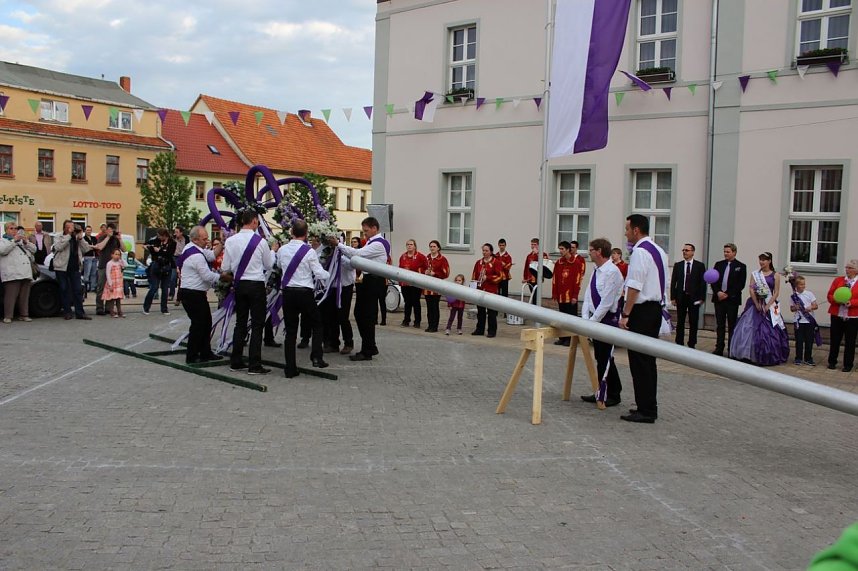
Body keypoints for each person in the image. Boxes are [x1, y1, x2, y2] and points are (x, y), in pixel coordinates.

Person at [618, 214, 668, 424]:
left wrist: (626, 314)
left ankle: (646, 410)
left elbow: (635, 286)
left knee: (640, 361)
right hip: (654, 309)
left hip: (643, 311)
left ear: (636, 230)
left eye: (627, 229)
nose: (626, 233)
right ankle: (646, 405)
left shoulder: (639, 251)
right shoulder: (658, 250)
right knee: (648, 362)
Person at [222, 210, 276, 375]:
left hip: (240, 285)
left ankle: (236, 361)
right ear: (253, 221)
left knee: (240, 323)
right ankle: (254, 364)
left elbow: (225, 268)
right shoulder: (260, 242)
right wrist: (273, 250)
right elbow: (269, 265)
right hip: (256, 284)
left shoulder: (230, 241)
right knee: (258, 324)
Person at [279, 220, 331, 378]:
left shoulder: (282, 250)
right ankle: (316, 357)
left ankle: (290, 368)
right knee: (317, 324)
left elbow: (278, 266)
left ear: (291, 232)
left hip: (288, 292)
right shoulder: (309, 252)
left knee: (291, 331)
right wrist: (330, 274)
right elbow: (319, 274)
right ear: (306, 234)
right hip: (305, 292)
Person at [334, 217, 390, 362]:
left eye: (366, 231)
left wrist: (339, 245)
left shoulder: (379, 243)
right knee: (360, 313)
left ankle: (368, 349)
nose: (364, 234)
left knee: (366, 315)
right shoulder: (372, 242)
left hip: (373, 280)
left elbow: (358, 254)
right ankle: (369, 346)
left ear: (374, 228)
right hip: (367, 280)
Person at [579, 238, 624, 407]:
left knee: (605, 357)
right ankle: (603, 390)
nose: (589, 253)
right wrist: (585, 318)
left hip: (606, 320)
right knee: (601, 356)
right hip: (595, 319)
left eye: (591, 250)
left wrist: (592, 322)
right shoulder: (596, 270)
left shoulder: (613, 272)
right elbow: (589, 295)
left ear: (598, 251)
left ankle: (611, 393)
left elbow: (606, 301)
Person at [729, 252, 790, 365]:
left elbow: (776, 292)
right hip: (754, 304)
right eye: (760, 260)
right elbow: (751, 288)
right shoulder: (755, 274)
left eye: (764, 260)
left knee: (772, 328)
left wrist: (768, 305)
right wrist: (756, 303)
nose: (761, 262)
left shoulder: (775, 275)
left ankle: (768, 354)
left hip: (769, 303)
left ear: (769, 261)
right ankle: (747, 353)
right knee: (748, 328)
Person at [178, 225, 225, 364]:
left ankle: (205, 352)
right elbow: (207, 276)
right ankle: (192, 356)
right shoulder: (196, 255)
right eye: (204, 239)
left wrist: (222, 243)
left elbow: (211, 255)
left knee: (206, 322)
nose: (207, 241)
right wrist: (223, 277)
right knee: (198, 324)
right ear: (195, 239)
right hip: (192, 294)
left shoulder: (194, 248)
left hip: (195, 293)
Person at [711, 243, 747, 356]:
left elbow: (740, 284)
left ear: (734, 252)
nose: (726, 254)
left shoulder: (741, 266)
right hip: (719, 299)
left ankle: (732, 348)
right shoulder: (719, 264)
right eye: (725, 251)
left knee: (732, 325)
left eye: (728, 252)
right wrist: (718, 292)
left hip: (732, 300)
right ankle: (719, 347)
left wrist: (727, 294)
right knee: (720, 324)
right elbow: (713, 279)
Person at [52, 220, 93, 320]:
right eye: (69, 227)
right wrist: (69, 236)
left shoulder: (76, 237)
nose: (72, 228)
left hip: (75, 267)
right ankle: (67, 312)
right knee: (64, 289)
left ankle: (80, 313)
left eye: (72, 226)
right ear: (65, 228)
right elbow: (58, 247)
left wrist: (81, 238)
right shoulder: (59, 236)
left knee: (78, 290)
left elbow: (86, 249)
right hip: (62, 267)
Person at [669, 243, 706, 349]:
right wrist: (673, 297)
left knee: (693, 321)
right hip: (681, 296)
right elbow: (674, 282)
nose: (684, 252)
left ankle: (692, 342)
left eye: (687, 250)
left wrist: (702, 298)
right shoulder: (678, 265)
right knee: (680, 320)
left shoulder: (699, 266)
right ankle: (679, 341)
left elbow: (702, 283)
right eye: (683, 250)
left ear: (693, 252)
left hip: (694, 298)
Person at [0, 221, 36, 323]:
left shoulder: (21, 241)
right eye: (11, 228)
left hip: (25, 272)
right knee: (10, 296)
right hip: (12, 273)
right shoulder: (3, 241)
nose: (14, 230)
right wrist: (13, 241)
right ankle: (8, 316)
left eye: (15, 228)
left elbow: (34, 249)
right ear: (6, 230)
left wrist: (26, 242)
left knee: (24, 296)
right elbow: (3, 251)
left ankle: (24, 314)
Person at [826, 259, 858, 373]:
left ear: (856, 270)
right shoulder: (838, 280)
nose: (847, 270)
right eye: (847, 267)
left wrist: (852, 303)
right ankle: (832, 362)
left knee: (850, 341)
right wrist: (837, 300)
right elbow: (830, 295)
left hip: (853, 317)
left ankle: (848, 364)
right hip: (837, 314)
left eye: (850, 268)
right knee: (835, 339)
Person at [552, 240, 586, 346]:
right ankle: (562, 338)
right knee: (561, 317)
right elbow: (555, 279)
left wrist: (575, 295)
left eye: (562, 249)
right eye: (559, 249)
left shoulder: (576, 263)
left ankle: (570, 339)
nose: (560, 251)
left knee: (570, 318)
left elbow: (577, 280)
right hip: (561, 295)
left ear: (568, 250)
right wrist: (555, 293)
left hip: (570, 295)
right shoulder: (558, 263)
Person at [472, 243, 503, 338]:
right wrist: (473, 287)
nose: (484, 252)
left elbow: (500, 276)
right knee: (480, 311)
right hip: (480, 290)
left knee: (491, 313)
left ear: (491, 252)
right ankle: (479, 329)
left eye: (486, 251)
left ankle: (492, 331)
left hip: (491, 290)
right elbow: (474, 275)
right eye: (483, 251)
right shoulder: (478, 262)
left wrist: (488, 277)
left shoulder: (496, 262)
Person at [142, 229, 176, 315]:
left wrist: (159, 251)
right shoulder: (156, 241)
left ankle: (164, 309)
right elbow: (147, 244)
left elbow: (169, 254)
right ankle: (146, 308)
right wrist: (147, 247)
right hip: (156, 265)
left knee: (165, 289)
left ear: (165, 235)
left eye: (160, 236)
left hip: (166, 266)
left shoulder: (172, 243)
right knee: (154, 287)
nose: (159, 237)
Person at [94, 223, 125, 315]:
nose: (112, 231)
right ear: (106, 230)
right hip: (103, 265)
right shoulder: (102, 237)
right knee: (101, 287)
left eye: (113, 230)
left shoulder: (116, 239)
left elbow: (124, 249)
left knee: (112, 288)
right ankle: (99, 308)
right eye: (110, 229)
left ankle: (109, 308)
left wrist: (120, 238)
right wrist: (108, 237)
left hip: (114, 267)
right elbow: (100, 247)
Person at [398, 239, 428, 328]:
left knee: (416, 302)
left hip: (416, 283)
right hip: (405, 283)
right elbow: (400, 268)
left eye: (411, 244)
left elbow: (426, 268)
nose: (409, 246)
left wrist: (417, 271)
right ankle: (406, 320)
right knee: (407, 302)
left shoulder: (420, 256)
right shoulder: (403, 256)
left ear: (415, 246)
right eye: (407, 244)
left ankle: (417, 321)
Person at [789, 276, 819, 366]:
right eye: (801, 284)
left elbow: (816, 306)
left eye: (804, 284)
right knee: (799, 340)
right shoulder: (793, 296)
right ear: (796, 285)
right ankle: (798, 358)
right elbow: (791, 309)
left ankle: (808, 358)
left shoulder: (809, 294)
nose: (803, 286)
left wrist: (811, 307)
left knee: (809, 340)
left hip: (809, 321)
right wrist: (796, 307)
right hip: (798, 321)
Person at [423, 240, 450, 333]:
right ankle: (430, 325)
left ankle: (434, 326)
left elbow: (446, 273)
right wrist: (425, 272)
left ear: (438, 248)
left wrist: (435, 274)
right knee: (429, 307)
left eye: (434, 246)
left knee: (434, 306)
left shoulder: (442, 259)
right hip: (427, 286)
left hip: (436, 286)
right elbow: (422, 269)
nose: (432, 248)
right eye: (431, 246)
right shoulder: (426, 258)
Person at [522, 238, 549, 303]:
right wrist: (525, 278)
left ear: (538, 245)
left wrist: (537, 254)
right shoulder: (529, 255)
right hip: (530, 278)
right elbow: (526, 267)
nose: (533, 246)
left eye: (535, 244)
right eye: (532, 244)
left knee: (536, 296)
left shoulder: (542, 254)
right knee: (533, 295)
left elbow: (544, 264)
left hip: (538, 278)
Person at [103, 249, 126, 318]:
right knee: (112, 298)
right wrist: (110, 284)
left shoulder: (119, 262)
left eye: (119, 254)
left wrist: (121, 259)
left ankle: (120, 311)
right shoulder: (109, 263)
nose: (117, 256)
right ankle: (112, 311)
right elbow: (108, 273)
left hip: (118, 283)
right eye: (116, 254)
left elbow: (125, 265)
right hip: (112, 283)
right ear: (112, 255)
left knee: (118, 298)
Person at [169, 226, 186, 302]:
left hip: (183, 258)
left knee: (182, 278)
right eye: (175, 232)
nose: (175, 234)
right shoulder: (173, 239)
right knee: (173, 278)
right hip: (175, 258)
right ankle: (171, 294)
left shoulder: (186, 239)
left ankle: (179, 297)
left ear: (181, 233)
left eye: (177, 232)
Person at [82, 225, 99, 293]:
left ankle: (93, 287)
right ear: (85, 231)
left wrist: (92, 247)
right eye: (87, 230)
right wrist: (92, 247)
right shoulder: (83, 239)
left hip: (95, 257)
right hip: (87, 257)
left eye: (90, 230)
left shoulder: (94, 238)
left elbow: (97, 246)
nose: (89, 231)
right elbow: (85, 246)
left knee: (94, 273)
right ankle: (86, 287)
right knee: (87, 273)